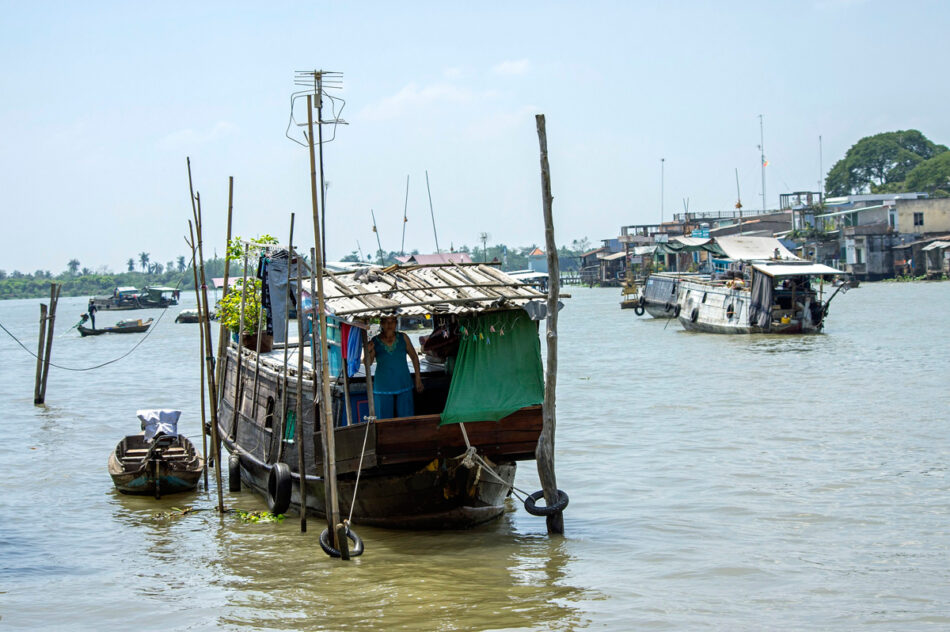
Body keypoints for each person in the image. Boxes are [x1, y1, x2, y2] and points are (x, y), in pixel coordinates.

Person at [365, 315, 423, 419]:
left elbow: (414, 357)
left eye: (392, 321)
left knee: (407, 420)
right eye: (386, 321)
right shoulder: (375, 341)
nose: (389, 324)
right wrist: (368, 350)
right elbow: (367, 363)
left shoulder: (403, 337)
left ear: (396, 323)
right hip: (383, 387)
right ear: (381, 324)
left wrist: (418, 379)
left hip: (404, 384)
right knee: (384, 422)